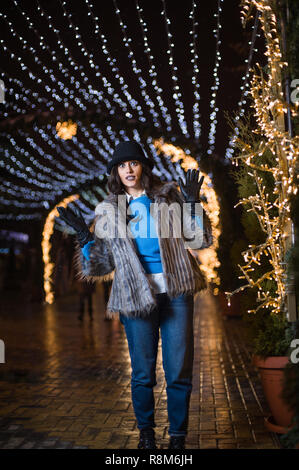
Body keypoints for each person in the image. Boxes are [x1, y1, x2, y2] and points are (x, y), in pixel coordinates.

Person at [57, 140, 212, 449]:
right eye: (122, 165)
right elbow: (99, 266)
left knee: (179, 371)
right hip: (133, 296)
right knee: (142, 373)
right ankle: (146, 436)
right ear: (116, 171)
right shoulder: (110, 210)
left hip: (177, 290)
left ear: (143, 167)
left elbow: (199, 240)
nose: (128, 169)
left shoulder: (166, 198)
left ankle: (178, 438)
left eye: (134, 163)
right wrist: (85, 236)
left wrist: (193, 203)